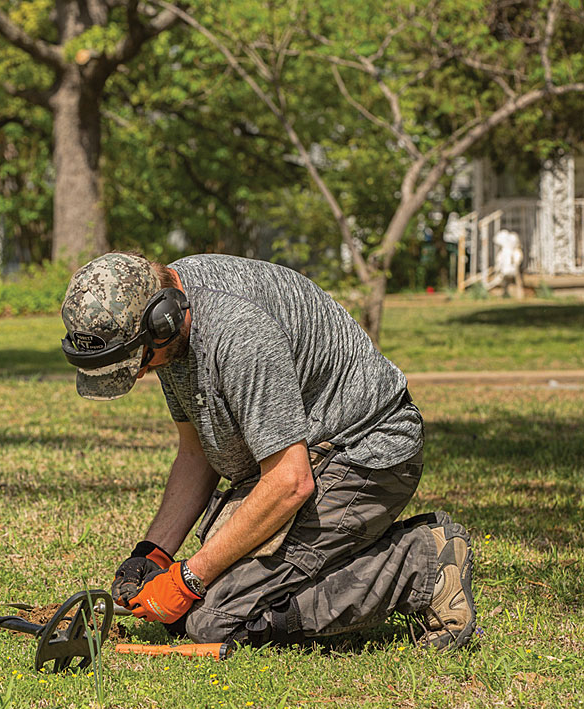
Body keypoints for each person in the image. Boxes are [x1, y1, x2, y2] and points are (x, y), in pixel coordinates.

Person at [60, 252, 476, 651]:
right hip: (299, 460)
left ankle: (420, 562)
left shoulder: (239, 333)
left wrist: (188, 577)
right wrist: (151, 554)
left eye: (141, 361)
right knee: (191, 606)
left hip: (366, 457)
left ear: (162, 319)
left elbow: (290, 483)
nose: (144, 371)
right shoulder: (172, 321)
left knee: (213, 619)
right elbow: (195, 453)